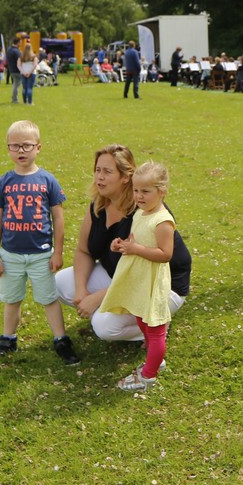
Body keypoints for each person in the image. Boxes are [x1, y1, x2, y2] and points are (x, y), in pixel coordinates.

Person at [55, 144, 191, 341]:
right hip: (120, 275)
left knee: (104, 327)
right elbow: (84, 251)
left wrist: (96, 298)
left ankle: (157, 326)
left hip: (158, 285)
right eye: (97, 170)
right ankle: (120, 315)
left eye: (107, 172)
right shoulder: (98, 205)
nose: (99, 177)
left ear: (125, 177)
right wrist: (81, 289)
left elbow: (141, 274)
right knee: (61, 282)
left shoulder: (145, 210)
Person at [0, 120, 80, 365]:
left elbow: (58, 218)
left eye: (27, 145)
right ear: (8, 149)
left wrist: (58, 252)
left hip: (41, 255)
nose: (21, 151)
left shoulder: (47, 180)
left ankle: (61, 339)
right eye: (14, 146)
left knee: (49, 298)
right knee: (12, 299)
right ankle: (8, 339)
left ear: (38, 147)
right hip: (11, 255)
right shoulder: (4, 182)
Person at [95, 160, 175, 391]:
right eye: (136, 190)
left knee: (155, 328)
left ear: (162, 191)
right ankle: (153, 357)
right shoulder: (141, 213)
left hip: (152, 281)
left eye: (145, 191)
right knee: (141, 319)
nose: (139, 196)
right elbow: (136, 240)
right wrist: (122, 245)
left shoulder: (162, 221)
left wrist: (136, 249)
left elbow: (165, 254)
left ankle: (148, 375)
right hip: (138, 279)